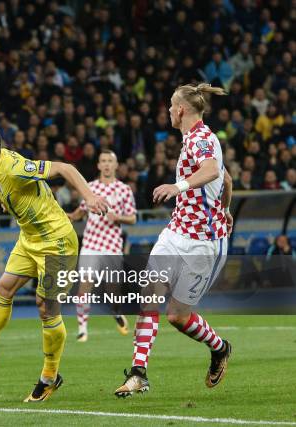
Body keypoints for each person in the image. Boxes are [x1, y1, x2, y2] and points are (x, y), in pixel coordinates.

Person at [0, 123, 109, 402]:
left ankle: (49, 377)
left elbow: (64, 169)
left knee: (46, 308)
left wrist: (90, 196)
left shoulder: (14, 167)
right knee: (4, 288)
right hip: (29, 238)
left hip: (56, 241)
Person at [115, 83, 234, 397]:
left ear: (181, 110)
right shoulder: (191, 140)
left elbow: (211, 170)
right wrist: (226, 208)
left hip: (204, 243)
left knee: (177, 316)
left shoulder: (203, 138)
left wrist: (178, 187)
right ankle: (139, 373)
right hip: (176, 233)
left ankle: (220, 348)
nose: (168, 110)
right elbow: (226, 177)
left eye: (171, 105)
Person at [67, 149, 137, 342]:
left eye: (110, 161)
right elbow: (80, 212)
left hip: (113, 245)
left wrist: (119, 217)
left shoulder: (124, 189)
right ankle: (82, 329)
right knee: (84, 287)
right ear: (98, 165)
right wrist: (70, 217)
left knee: (112, 291)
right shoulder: (89, 188)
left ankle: (115, 312)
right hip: (91, 243)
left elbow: (132, 218)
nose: (106, 164)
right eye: (103, 161)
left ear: (115, 165)